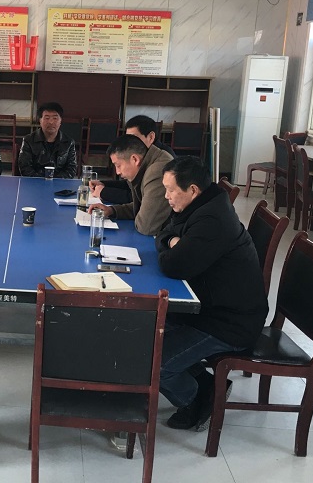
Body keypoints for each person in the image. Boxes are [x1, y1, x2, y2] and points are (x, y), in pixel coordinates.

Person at [156, 156, 268, 431]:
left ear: (193, 190)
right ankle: (209, 383)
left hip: (229, 323)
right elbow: (162, 233)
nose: (166, 196)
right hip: (208, 306)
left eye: (170, 190)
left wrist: (172, 245)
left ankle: (199, 399)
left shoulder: (213, 219)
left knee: (153, 363)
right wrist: (173, 241)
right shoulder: (200, 204)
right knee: (146, 334)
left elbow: (173, 265)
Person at [91, 134, 172, 236]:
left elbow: (146, 226)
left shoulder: (156, 171)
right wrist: (112, 210)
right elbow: (142, 206)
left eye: (118, 165)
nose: (117, 172)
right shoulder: (147, 163)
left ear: (135, 159)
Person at [90, 115, 175, 204]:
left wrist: (104, 192)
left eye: (134, 138)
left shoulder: (160, 164)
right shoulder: (144, 154)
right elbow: (130, 185)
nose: (129, 142)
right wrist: (104, 184)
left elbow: (136, 199)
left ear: (151, 137)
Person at [17, 102, 77, 178]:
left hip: (59, 182)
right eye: (47, 118)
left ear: (60, 121)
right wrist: (42, 181)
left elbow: (71, 169)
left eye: (55, 118)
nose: (51, 122)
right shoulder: (28, 140)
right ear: (40, 121)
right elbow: (25, 168)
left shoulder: (69, 142)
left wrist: (53, 180)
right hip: (35, 182)